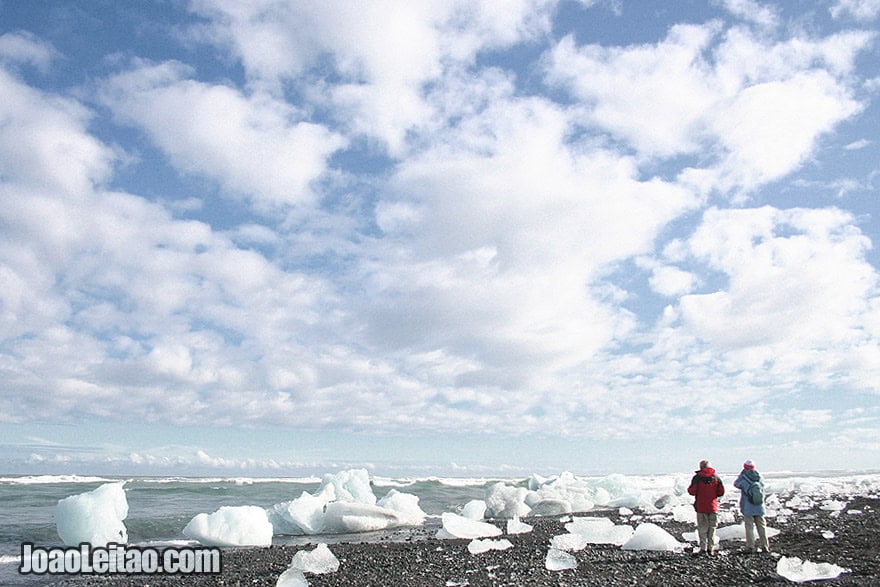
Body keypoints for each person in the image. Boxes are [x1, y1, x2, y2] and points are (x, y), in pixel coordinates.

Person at [688, 459, 725, 556]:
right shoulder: (716, 477)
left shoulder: (697, 478)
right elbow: (721, 492)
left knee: (702, 528)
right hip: (713, 506)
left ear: (700, 467)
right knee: (712, 529)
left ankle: (703, 549)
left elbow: (692, 491)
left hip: (701, 507)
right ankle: (711, 549)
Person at [734, 459, 770, 553]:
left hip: (748, 507)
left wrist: (741, 475)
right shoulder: (759, 476)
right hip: (759, 506)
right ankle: (765, 546)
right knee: (761, 526)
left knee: (749, 527)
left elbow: (736, 484)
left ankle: (751, 546)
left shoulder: (744, 477)